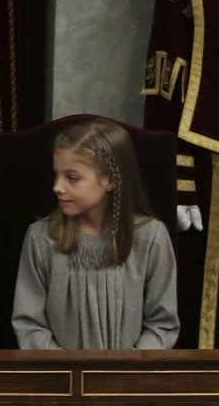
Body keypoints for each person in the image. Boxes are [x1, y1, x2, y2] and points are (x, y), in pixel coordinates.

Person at [12, 119, 179, 350]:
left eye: (72, 177)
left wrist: (124, 372)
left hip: (128, 380)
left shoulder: (151, 237)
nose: (57, 187)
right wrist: (68, 370)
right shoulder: (41, 238)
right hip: (62, 378)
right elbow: (29, 324)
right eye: (56, 175)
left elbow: (163, 323)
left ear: (109, 179)